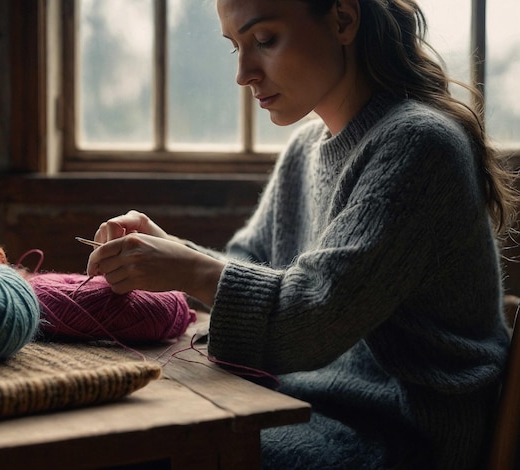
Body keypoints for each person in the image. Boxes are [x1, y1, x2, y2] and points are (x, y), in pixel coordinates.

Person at [86, 0, 518, 468]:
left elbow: (309, 322)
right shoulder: (305, 149)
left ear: (343, 20)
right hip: (300, 404)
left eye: (265, 40)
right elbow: (249, 264)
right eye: (236, 48)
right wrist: (172, 252)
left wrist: (186, 267)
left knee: (149, 452)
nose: (244, 73)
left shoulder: (419, 145)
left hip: (399, 435)